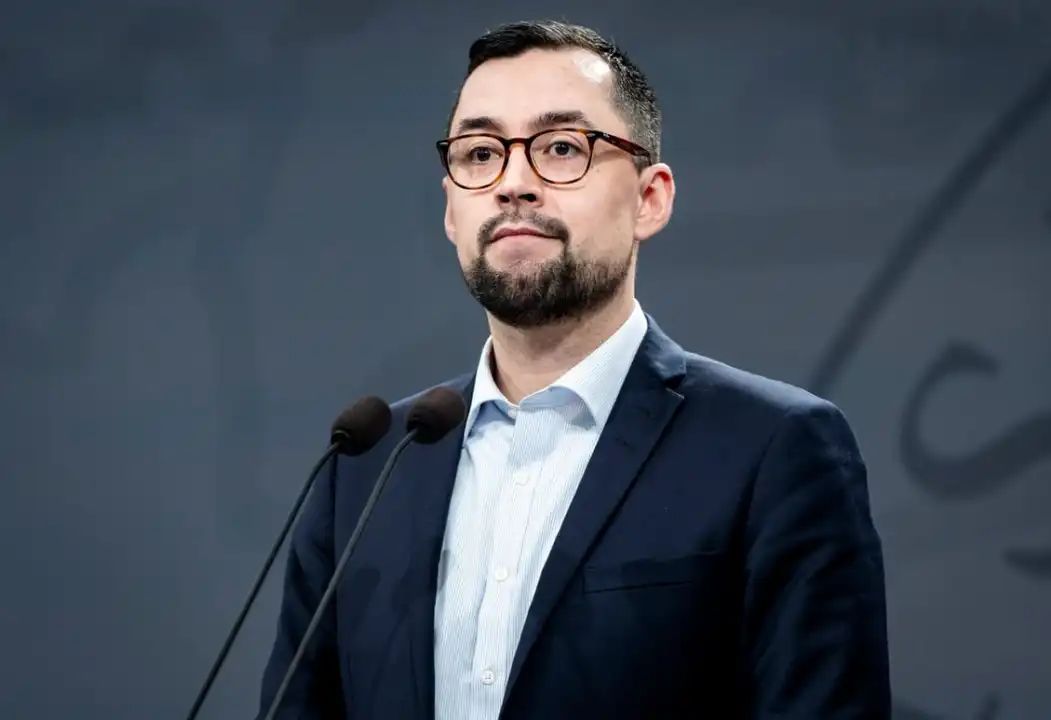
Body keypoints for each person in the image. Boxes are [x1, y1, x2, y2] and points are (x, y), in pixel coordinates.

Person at [259, 19, 890, 719]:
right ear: (451, 211)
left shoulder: (774, 449)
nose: (513, 184)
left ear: (650, 198)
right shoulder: (367, 465)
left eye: (562, 147)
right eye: (480, 154)